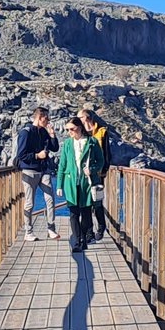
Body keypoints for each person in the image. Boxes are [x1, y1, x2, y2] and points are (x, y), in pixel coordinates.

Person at [14, 106, 59, 241]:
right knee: (29, 202)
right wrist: (36, 156)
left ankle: (51, 229)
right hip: (29, 170)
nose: (48, 120)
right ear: (40, 118)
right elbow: (21, 155)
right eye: (46, 118)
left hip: (44, 170)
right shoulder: (25, 132)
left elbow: (55, 148)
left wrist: (52, 135)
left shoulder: (44, 132)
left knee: (50, 199)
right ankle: (28, 231)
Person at [55, 114, 99, 252]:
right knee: (73, 213)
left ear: (79, 127)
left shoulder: (92, 142)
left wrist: (91, 169)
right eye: (67, 130)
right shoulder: (68, 143)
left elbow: (101, 161)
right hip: (70, 183)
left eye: (72, 129)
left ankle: (83, 237)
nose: (69, 132)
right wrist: (59, 185)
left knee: (86, 213)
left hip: (86, 183)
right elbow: (62, 164)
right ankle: (78, 240)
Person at [82, 107, 112, 239]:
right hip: (84, 175)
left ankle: (101, 226)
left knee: (97, 202)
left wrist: (104, 170)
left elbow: (107, 153)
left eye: (80, 118)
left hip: (98, 174)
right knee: (85, 203)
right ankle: (89, 232)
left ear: (86, 118)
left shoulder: (102, 132)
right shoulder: (80, 133)